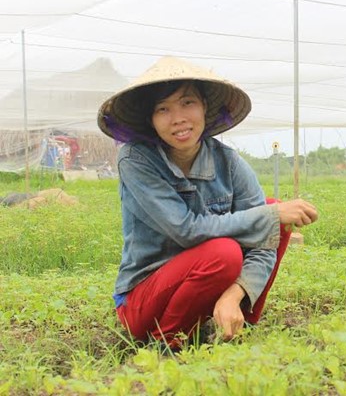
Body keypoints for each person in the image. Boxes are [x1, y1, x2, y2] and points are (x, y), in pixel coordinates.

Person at [97, 56, 318, 347]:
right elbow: (185, 230)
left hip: (209, 284)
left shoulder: (228, 162)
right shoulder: (137, 159)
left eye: (187, 103)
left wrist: (235, 293)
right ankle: (169, 342)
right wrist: (269, 215)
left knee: (272, 215)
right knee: (233, 245)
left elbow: (264, 242)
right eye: (163, 109)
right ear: (151, 120)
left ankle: (229, 319)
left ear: (205, 107)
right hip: (144, 300)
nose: (178, 118)